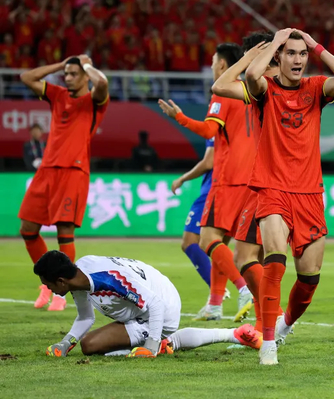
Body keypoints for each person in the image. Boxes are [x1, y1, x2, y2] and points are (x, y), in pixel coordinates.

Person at [244, 28, 334, 365]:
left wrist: (317, 46)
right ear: (279, 57)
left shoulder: (315, 88)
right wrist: (275, 43)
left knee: (309, 279)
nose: (298, 59)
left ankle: (283, 325)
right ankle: (267, 343)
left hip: (309, 193)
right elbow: (251, 75)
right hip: (272, 188)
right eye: (291, 53)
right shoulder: (266, 89)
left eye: (302, 54)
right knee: (274, 260)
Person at [158, 43, 261, 323]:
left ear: (223, 65)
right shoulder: (253, 92)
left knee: (206, 240)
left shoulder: (223, 91)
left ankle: (244, 288)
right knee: (223, 241)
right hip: (251, 181)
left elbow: (208, 130)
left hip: (227, 180)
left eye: (214, 61)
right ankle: (215, 304)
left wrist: (179, 117)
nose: (212, 66)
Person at [35, 251, 260, 358]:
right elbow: (86, 317)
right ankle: (234, 334)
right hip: (148, 300)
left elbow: (155, 303)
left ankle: (158, 343)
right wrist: (65, 343)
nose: (48, 288)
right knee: (91, 344)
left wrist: (151, 345)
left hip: (161, 306)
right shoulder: (78, 276)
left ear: (61, 281)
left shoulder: (110, 280)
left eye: (47, 284)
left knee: (90, 345)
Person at [18, 55, 109, 312]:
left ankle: (62, 289)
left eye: (73, 74)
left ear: (85, 76)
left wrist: (86, 64)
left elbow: (102, 83)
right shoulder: (57, 95)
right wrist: (63, 64)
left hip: (73, 171)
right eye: (66, 74)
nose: (68, 78)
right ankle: (47, 283)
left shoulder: (93, 101)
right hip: (47, 169)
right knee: (27, 229)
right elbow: (26, 77)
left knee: (64, 231)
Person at [210, 30, 280, 334]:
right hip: (271, 180)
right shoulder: (276, 86)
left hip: (265, 182)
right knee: (262, 258)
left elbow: (219, 86)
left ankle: (274, 317)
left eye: (250, 55)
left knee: (244, 257)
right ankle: (267, 326)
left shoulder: (264, 86)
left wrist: (248, 59)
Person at [170, 138, 215, 289]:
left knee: (190, 242)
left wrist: (182, 178)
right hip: (237, 190)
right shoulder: (246, 128)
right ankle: (219, 294)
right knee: (218, 244)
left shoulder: (218, 127)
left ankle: (231, 289)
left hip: (214, 191)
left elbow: (208, 162)